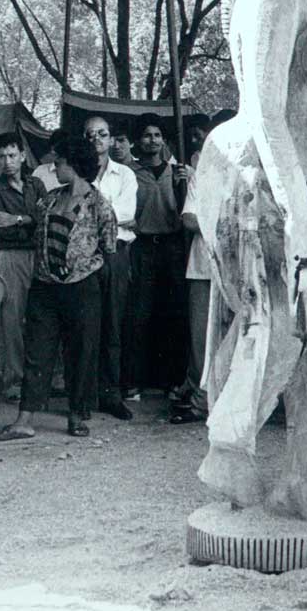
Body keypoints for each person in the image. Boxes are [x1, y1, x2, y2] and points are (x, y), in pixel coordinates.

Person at [0, 137, 117, 441]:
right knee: (37, 350)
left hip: (81, 287)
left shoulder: (99, 205)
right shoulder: (49, 199)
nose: (54, 168)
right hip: (44, 286)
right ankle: (24, 420)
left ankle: (76, 415)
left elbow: (109, 248)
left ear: (73, 164)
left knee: (80, 351)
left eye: (58, 163)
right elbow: (37, 232)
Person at [127, 114, 190, 398]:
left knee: (173, 311)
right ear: (138, 140)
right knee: (140, 312)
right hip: (142, 246)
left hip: (172, 246)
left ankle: (172, 379)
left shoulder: (178, 172)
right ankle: (137, 379)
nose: (152, 140)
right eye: (146, 135)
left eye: (156, 135)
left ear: (163, 139)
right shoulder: (130, 173)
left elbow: (185, 209)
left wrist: (181, 184)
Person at [0, 132, 45, 403]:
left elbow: (46, 218)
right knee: (12, 320)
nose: (7, 162)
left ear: (22, 155)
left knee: (40, 319)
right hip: (9, 256)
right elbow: (2, 230)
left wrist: (17, 219)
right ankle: (15, 380)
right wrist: (31, 220)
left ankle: (38, 379)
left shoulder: (36, 184)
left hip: (38, 256)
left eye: (11, 155)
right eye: (1, 157)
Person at [84, 114, 137, 420]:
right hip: (85, 254)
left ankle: (111, 394)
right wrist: (107, 215)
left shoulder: (124, 175)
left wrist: (93, 214)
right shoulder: (79, 173)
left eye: (102, 134)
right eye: (91, 135)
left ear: (111, 139)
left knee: (113, 324)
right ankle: (85, 395)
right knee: (86, 323)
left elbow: (126, 213)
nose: (97, 140)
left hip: (116, 252)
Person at [171, 112, 221, 425]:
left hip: (238, 270)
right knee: (201, 338)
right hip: (202, 267)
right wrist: (222, 227)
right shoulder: (201, 177)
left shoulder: (249, 178)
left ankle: (220, 400)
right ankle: (201, 398)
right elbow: (189, 218)